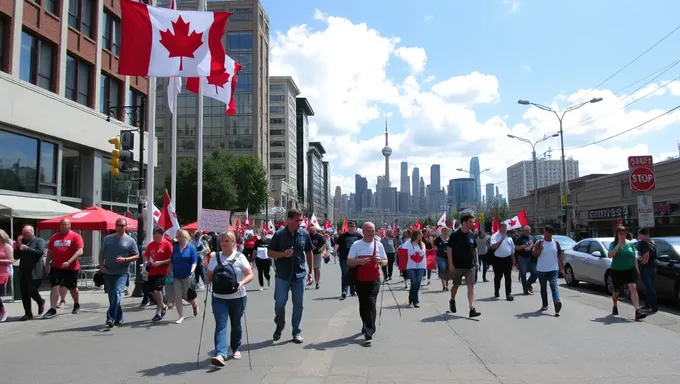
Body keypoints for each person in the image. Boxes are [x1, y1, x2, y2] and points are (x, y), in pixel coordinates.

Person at [267, 208, 313, 344]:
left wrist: (310, 271)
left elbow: (309, 252)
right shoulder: (279, 234)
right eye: (298, 220)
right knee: (280, 303)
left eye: (301, 220)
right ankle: (280, 324)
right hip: (283, 275)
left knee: (299, 304)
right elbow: (270, 253)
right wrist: (282, 254)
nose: (300, 222)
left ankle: (296, 332)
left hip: (299, 275)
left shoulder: (304, 234)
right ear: (289, 219)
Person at [208, 231, 253, 367]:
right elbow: (208, 277)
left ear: (233, 242)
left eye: (227, 241)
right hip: (219, 297)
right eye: (222, 241)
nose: (223, 243)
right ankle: (220, 354)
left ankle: (236, 347)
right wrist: (208, 277)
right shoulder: (214, 257)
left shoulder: (240, 257)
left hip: (237, 297)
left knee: (236, 323)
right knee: (221, 325)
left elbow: (250, 275)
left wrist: (241, 283)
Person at [347, 222, 387, 344]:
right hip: (360, 279)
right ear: (363, 232)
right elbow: (349, 260)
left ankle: (369, 329)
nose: (372, 233)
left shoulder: (378, 245)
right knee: (363, 303)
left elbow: (385, 261)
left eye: (373, 230)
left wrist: (380, 261)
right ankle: (365, 323)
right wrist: (360, 261)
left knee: (371, 302)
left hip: (374, 279)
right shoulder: (356, 245)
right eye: (369, 231)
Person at [98, 218, 139, 327]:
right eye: (119, 225)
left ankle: (110, 318)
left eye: (123, 225)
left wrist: (125, 259)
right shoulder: (108, 239)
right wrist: (101, 265)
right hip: (108, 272)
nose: (121, 227)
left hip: (122, 273)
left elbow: (137, 255)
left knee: (116, 293)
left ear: (126, 227)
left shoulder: (130, 240)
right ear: (115, 226)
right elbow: (102, 252)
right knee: (113, 298)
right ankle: (119, 317)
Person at [44, 219, 84, 319]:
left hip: (71, 267)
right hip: (56, 266)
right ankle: (52, 309)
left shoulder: (75, 236)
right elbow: (50, 251)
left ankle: (76, 304)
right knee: (54, 286)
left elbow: (80, 251)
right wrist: (47, 263)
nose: (64, 226)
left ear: (70, 225)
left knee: (72, 287)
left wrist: (69, 261)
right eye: (62, 224)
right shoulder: (55, 237)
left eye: (66, 224)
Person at [608, 226, 646, 321]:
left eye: (623, 233)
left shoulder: (630, 244)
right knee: (616, 291)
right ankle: (614, 305)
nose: (621, 235)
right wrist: (618, 246)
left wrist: (637, 270)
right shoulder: (613, 244)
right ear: (617, 234)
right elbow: (610, 255)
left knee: (633, 288)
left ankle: (637, 311)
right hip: (617, 270)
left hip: (629, 270)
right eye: (619, 233)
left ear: (626, 234)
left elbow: (634, 258)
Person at [447, 214, 481, 318]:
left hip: (470, 266)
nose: (473, 224)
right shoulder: (455, 235)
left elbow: (475, 248)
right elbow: (449, 250)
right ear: (464, 222)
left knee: (471, 286)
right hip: (457, 266)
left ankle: (472, 308)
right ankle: (452, 300)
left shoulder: (471, 235)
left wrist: (477, 261)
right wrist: (451, 264)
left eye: (473, 222)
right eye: (471, 222)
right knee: (456, 285)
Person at [14, 225, 47, 321]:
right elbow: (16, 256)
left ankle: (40, 301)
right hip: (23, 270)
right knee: (24, 292)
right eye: (23, 234)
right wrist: (18, 246)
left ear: (32, 232)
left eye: (27, 234)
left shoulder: (39, 241)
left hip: (35, 271)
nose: (25, 236)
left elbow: (40, 252)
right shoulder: (22, 242)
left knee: (32, 290)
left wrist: (27, 249)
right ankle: (28, 313)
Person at [532, 225, 564, 316]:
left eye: (548, 232)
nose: (545, 234)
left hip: (553, 268)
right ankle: (545, 304)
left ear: (551, 233)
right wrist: (540, 249)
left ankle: (557, 302)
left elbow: (559, 255)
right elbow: (534, 253)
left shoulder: (556, 243)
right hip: (542, 269)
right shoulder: (539, 242)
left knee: (553, 284)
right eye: (545, 232)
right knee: (543, 288)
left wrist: (562, 267)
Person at [170, 229, 200, 324]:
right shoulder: (175, 248)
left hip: (187, 275)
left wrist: (192, 271)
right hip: (176, 275)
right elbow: (172, 261)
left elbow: (194, 261)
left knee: (186, 295)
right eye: (178, 236)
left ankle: (194, 304)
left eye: (181, 237)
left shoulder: (191, 248)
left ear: (186, 237)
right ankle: (181, 316)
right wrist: (169, 271)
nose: (179, 238)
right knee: (178, 296)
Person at [144, 227, 172, 321]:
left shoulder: (167, 244)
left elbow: (172, 258)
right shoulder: (151, 245)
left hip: (162, 271)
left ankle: (158, 311)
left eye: (156, 234)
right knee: (152, 292)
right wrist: (146, 263)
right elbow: (146, 255)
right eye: (153, 234)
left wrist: (161, 262)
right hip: (152, 271)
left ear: (161, 234)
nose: (154, 236)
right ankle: (163, 306)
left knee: (157, 290)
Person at [334, 221, 363, 299]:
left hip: (356, 258)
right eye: (350, 225)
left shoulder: (359, 236)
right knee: (345, 274)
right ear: (348, 227)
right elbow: (337, 244)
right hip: (344, 258)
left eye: (353, 225)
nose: (352, 226)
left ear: (355, 227)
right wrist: (335, 250)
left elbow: (363, 245)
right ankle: (344, 291)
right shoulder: (342, 236)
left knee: (355, 274)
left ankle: (353, 290)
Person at [490, 223, 516, 301]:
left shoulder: (509, 238)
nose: (505, 229)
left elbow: (512, 250)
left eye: (506, 228)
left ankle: (508, 294)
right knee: (498, 276)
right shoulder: (495, 236)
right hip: (497, 259)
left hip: (507, 259)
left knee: (508, 277)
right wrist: (501, 240)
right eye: (504, 228)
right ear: (500, 228)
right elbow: (493, 246)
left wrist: (513, 259)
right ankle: (497, 290)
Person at [402, 230, 427, 308]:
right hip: (410, 265)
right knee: (414, 281)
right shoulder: (408, 244)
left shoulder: (422, 244)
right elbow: (401, 250)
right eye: (420, 234)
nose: (422, 235)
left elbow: (425, 254)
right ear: (416, 235)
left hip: (421, 265)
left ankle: (411, 295)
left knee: (418, 281)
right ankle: (415, 301)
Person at [636, 228, 658, 313]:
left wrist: (639, 263)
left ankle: (654, 307)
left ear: (643, 234)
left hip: (645, 268)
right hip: (653, 267)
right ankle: (647, 304)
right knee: (650, 286)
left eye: (639, 235)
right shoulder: (652, 242)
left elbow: (645, 258)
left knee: (650, 288)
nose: (638, 236)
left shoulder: (643, 244)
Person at [515, 226, 538, 294]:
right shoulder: (520, 238)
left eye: (528, 230)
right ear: (523, 231)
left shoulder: (532, 237)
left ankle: (528, 284)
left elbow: (536, 245)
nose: (527, 231)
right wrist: (523, 246)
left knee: (535, 273)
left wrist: (534, 246)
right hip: (522, 258)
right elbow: (516, 248)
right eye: (526, 230)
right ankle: (525, 290)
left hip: (532, 258)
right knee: (523, 274)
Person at [0, 229, 16, 322]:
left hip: (3, 272)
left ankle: (2, 310)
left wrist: (0, 261)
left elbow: (11, 260)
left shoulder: (7, 247)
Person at [434, 227, 451, 291]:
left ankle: (447, 284)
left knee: (447, 271)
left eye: (445, 231)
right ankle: (444, 286)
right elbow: (434, 246)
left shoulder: (450, 239)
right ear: (441, 232)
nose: (444, 232)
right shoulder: (438, 239)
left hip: (448, 257)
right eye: (443, 231)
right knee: (442, 270)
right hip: (440, 257)